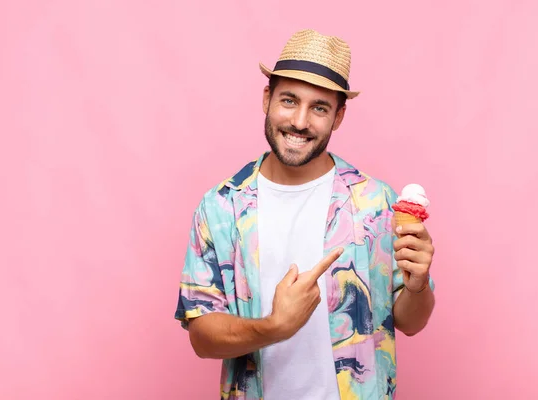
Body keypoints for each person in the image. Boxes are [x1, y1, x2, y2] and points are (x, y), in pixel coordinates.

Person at [174, 29, 436, 400]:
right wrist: (275, 326)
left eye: (319, 107)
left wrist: (418, 284)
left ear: (338, 116)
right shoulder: (221, 207)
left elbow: (412, 321)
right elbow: (202, 338)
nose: (299, 121)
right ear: (267, 98)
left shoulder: (375, 203)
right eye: (289, 100)